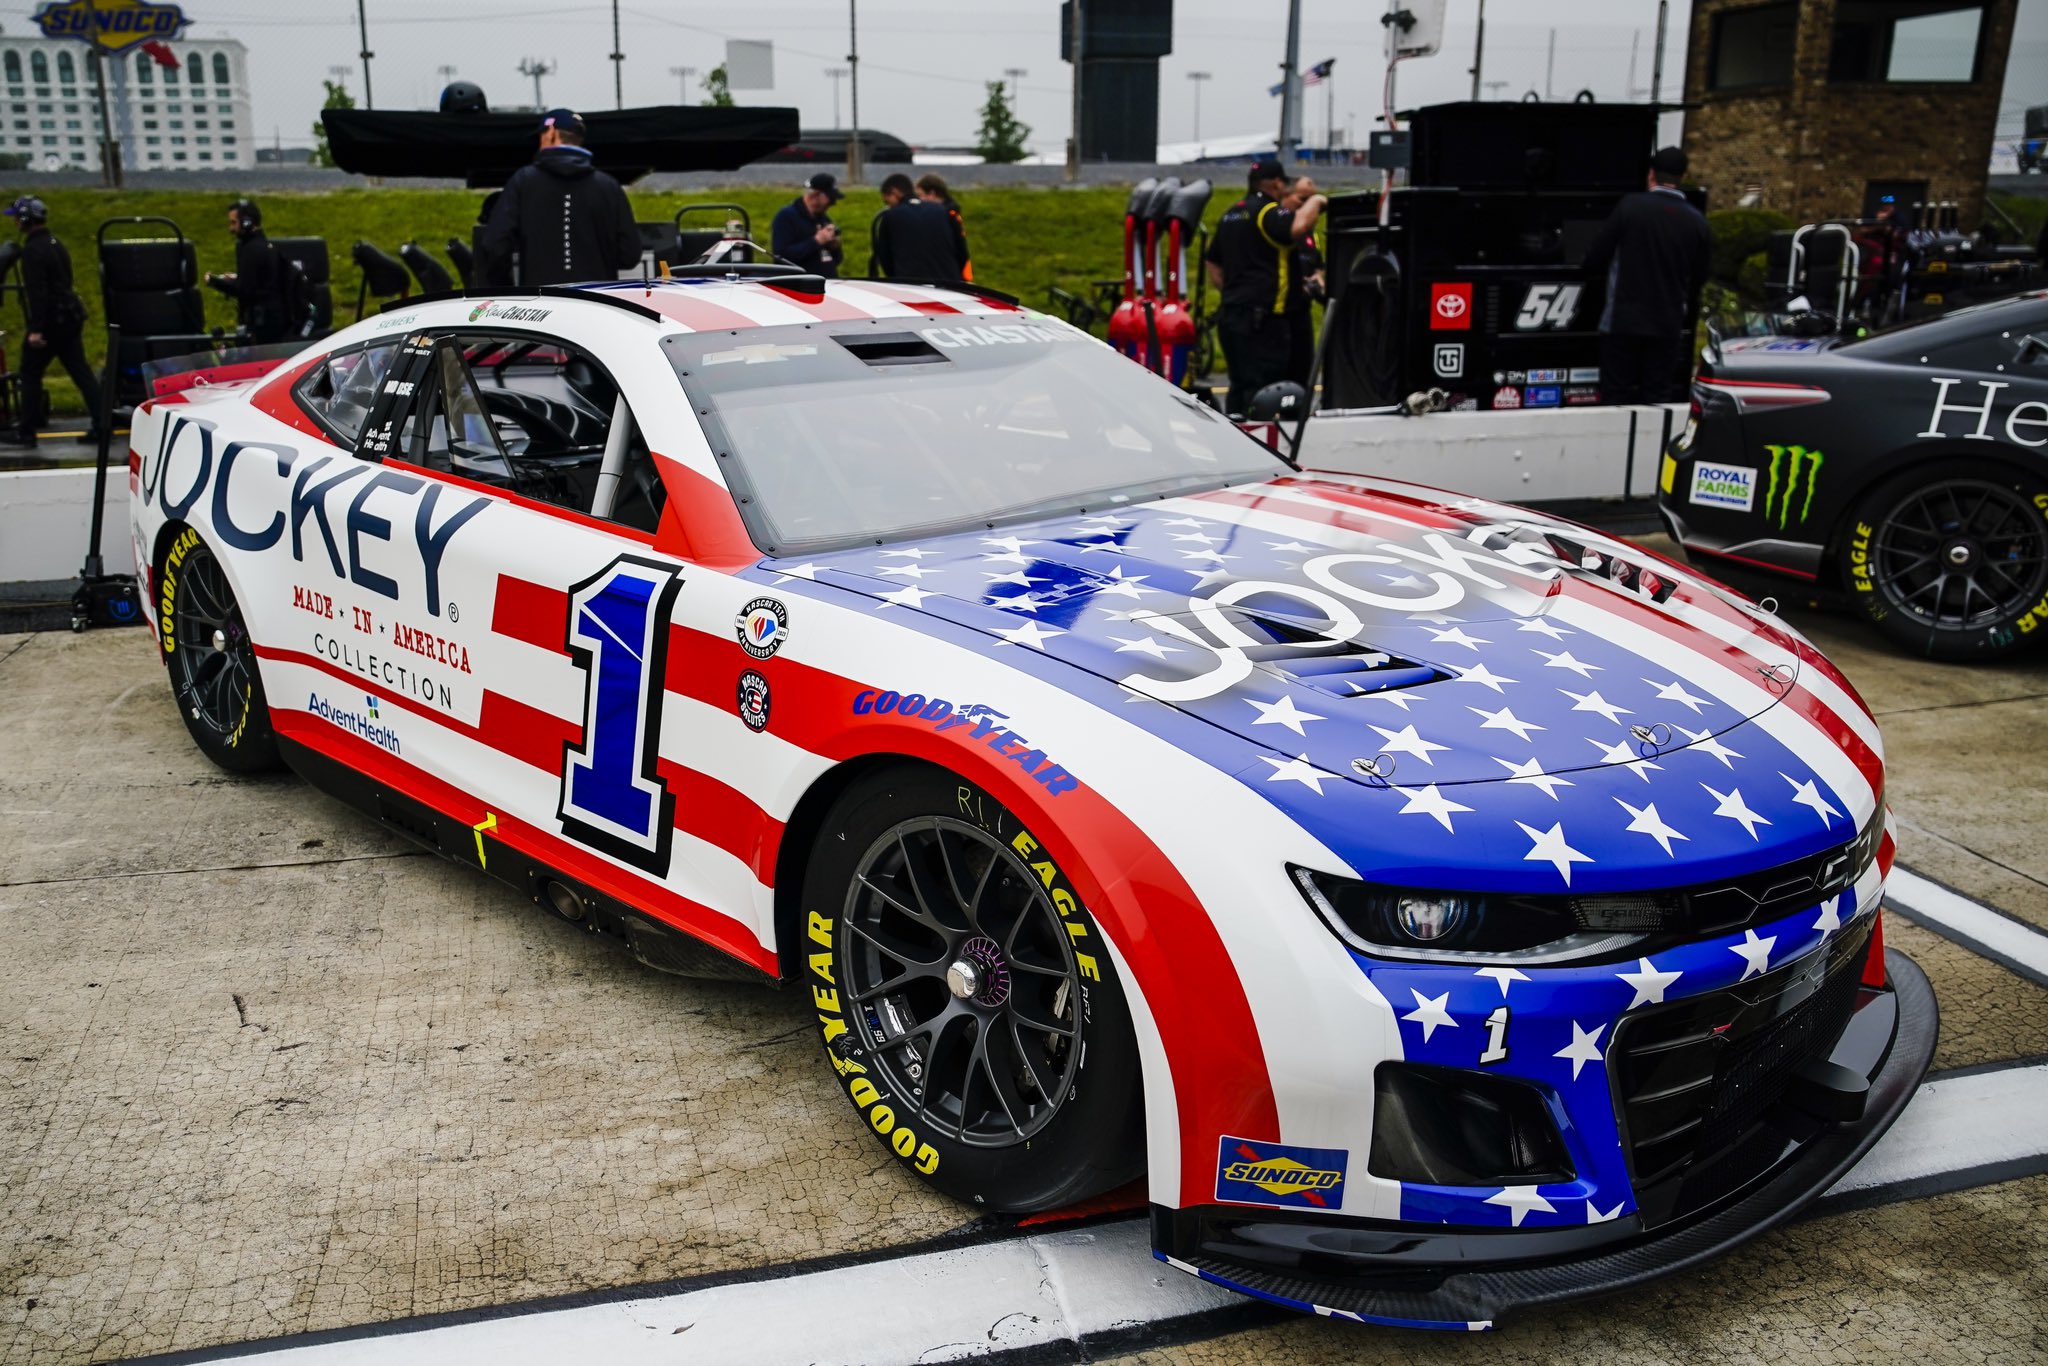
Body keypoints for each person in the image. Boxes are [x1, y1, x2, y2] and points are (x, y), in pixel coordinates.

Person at [1580, 145, 1712, 404]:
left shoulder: (1630, 207)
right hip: (1667, 324)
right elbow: (1700, 276)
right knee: (1658, 396)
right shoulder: (1697, 222)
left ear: (1651, 175)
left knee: (1616, 395)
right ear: (1682, 177)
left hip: (1622, 321)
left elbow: (1595, 256)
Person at [1204, 158, 1326, 416]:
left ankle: (1236, 440)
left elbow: (1213, 264)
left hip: (1232, 315)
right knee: (1267, 394)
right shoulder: (1267, 211)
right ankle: (1266, 448)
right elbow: (1299, 226)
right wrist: (1317, 201)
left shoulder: (1231, 213)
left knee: (1240, 388)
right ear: (1277, 183)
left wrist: (1236, 290)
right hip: (1264, 321)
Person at [477, 109, 639, 289]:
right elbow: (630, 255)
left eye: (540, 137)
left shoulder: (523, 181)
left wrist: (507, 288)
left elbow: (494, 246)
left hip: (541, 306)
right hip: (596, 304)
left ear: (551, 133)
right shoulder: (609, 187)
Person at [6, 196, 101, 444]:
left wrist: (36, 330)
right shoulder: (56, 243)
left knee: (30, 372)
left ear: (25, 220)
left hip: (50, 321)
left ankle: (27, 430)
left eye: (17, 218)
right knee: (82, 373)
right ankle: (102, 424)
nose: (15, 222)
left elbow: (38, 292)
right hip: (69, 317)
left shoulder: (32, 251)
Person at [204, 199, 290, 344]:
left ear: (247, 223)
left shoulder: (251, 250)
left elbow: (244, 290)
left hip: (262, 327)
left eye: (233, 222)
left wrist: (214, 281)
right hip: (273, 322)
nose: (231, 228)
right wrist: (237, 277)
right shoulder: (263, 246)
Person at [871, 173, 968, 280]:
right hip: (950, 285)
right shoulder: (945, 211)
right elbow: (962, 253)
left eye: (887, 201)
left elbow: (886, 259)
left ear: (895, 193)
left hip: (912, 287)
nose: (889, 206)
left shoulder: (889, 216)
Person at [1279, 176, 1328, 386]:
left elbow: (1317, 262)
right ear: (1285, 196)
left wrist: (1319, 277)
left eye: (1312, 200)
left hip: (1302, 310)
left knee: (1303, 373)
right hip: (1278, 314)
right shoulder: (1278, 227)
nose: (1308, 206)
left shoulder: (1309, 234)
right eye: (1302, 199)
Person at [771, 173, 844, 278]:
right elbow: (782, 256)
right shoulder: (786, 217)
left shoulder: (824, 219)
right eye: (830, 199)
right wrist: (816, 241)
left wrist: (834, 247)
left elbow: (837, 260)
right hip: (799, 284)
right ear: (815, 195)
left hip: (827, 283)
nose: (833, 203)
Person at [916, 173, 972, 281]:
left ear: (932, 193)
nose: (919, 200)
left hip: (949, 277)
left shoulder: (948, 215)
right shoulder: (951, 213)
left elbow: (961, 250)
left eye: (920, 195)